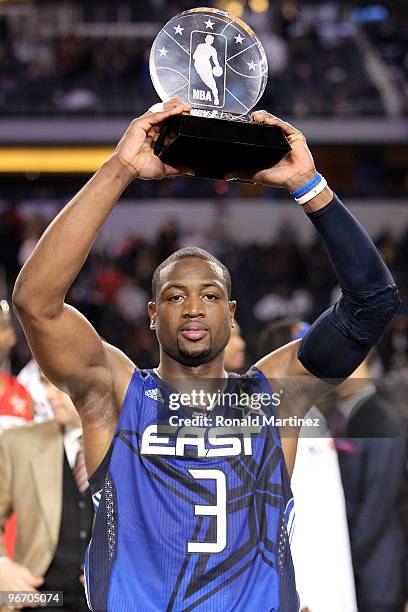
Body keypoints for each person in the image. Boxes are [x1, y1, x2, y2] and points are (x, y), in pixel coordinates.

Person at [13, 99, 400, 611]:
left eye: (210, 295)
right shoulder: (116, 392)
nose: (193, 308)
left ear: (232, 311)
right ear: (152, 313)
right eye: (175, 296)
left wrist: (310, 186)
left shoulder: (275, 396)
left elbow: (373, 303)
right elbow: (35, 304)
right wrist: (120, 169)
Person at [258, 319, 357, 612]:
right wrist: (302, 590)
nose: (325, 352)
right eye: (306, 341)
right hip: (310, 588)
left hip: (332, 578)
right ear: (286, 358)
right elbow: (284, 511)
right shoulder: (275, 419)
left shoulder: (315, 416)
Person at [0, 376, 93, 612]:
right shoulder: (17, 442)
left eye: (59, 384)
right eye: (45, 383)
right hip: (40, 599)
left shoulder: (134, 441)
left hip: (110, 601)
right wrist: (1, 567)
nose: (49, 395)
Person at [332, 354, 406, 612]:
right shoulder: (339, 414)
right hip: (351, 567)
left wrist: (345, 556)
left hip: (376, 569)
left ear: (363, 363)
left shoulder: (382, 420)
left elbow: (378, 500)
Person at [193, 35, 223, 105]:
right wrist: (200, 58)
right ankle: (214, 92)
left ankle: (216, 97)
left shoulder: (213, 49)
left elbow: (215, 60)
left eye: (210, 39)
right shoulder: (200, 46)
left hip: (206, 65)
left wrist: (218, 67)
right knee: (205, 80)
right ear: (206, 39)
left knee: (211, 82)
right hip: (199, 65)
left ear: (212, 41)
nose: (209, 40)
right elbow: (194, 56)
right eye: (208, 39)